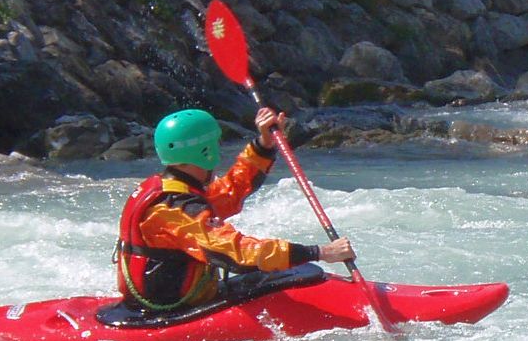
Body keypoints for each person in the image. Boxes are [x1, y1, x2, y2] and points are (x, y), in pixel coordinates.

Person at [113, 106, 354, 316]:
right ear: (205, 151)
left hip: (163, 299)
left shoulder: (174, 189)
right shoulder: (174, 209)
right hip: (171, 308)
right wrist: (319, 252)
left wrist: (263, 145)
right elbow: (238, 254)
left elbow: (231, 191)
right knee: (288, 272)